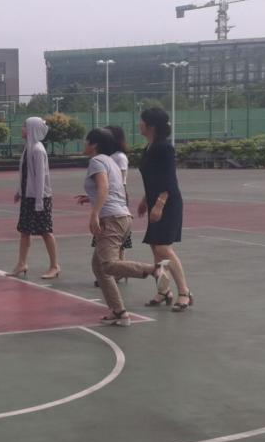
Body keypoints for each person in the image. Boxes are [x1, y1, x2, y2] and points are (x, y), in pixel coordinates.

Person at [76, 129, 170, 326]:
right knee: (99, 267)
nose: (84, 144)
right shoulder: (111, 161)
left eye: (86, 141)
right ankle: (119, 312)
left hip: (112, 218)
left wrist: (94, 214)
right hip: (121, 217)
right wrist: (90, 198)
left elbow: (104, 187)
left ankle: (153, 269)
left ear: (94, 144)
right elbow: (112, 190)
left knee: (109, 265)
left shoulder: (97, 161)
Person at [138, 107, 193, 311]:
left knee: (163, 248)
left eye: (142, 121)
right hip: (154, 201)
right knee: (155, 248)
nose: (139, 124)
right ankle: (163, 290)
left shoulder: (164, 148)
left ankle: (184, 292)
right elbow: (152, 178)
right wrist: (145, 200)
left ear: (151, 126)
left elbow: (168, 179)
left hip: (168, 202)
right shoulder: (149, 148)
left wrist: (159, 204)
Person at [9, 117, 60, 279]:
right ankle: (22, 263)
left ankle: (54, 266)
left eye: (25, 126)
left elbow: (40, 178)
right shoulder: (28, 148)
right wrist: (20, 191)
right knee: (24, 231)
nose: (22, 129)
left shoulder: (38, 149)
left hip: (40, 197)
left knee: (46, 231)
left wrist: (39, 202)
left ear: (32, 129)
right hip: (28, 196)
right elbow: (25, 173)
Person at [90, 125, 132, 286]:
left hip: (115, 204)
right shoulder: (108, 157)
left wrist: (95, 212)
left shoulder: (118, 157)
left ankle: (122, 271)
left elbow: (117, 183)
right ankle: (115, 274)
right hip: (111, 201)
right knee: (107, 247)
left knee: (115, 245)